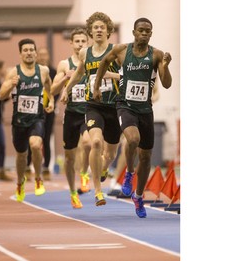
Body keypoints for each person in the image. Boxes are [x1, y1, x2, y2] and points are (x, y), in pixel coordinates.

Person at [94, 17, 172, 218]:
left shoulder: (156, 55)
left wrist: (166, 65)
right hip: (125, 106)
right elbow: (103, 62)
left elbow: (166, 83)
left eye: (148, 31)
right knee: (133, 139)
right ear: (134, 32)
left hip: (145, 109)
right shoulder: (121, 51)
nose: (144, 34)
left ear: (151, 34)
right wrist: (96, 88)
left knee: (145, 157)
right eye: (141, 30)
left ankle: (138, 196)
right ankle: (129, 173)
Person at [60, 12, 121, 206]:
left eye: (102, 27)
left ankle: (104, 168)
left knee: (110, 153)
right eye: (95, 27)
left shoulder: (116, 51)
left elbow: (125, 76)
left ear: (108, 31)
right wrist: (66, 90)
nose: (99, 30)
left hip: (113, 106)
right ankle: (97, 190)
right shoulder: (85, 53)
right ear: (91, 31)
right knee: (95, 143)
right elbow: (79, 74)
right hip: (93, 106)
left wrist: (108, 74)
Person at [0, 38, 55, 202]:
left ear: (36, 53)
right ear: (20, 54)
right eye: (25, 50)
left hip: (37, 118)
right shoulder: (13, 72)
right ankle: (20, 181)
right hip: (19, 121)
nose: (29, 53)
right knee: (21, 155)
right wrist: (10, 84)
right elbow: (1, 95)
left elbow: (48, 86)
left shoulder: (43, 70)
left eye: (31, 50)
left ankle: (38, 178)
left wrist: (50, 100)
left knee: (36, 145)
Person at [51, 27, 91, 209]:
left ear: (87, 42)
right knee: (69, 158)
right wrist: (64, 80)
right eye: (77, 41)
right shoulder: (64, 64)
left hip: (88, 112)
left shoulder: (92, 62)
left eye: (83, 41)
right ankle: (73, 193)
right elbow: (52, 90)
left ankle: (84, 174)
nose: (80, 44)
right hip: (72, 114)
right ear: (71, 43)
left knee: (88, 143)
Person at [25, 47, 58, 181]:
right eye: (41, 54)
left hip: (49, 110)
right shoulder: (33, 71)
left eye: (46, 54)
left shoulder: (54, 71)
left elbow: (56, 89)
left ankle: (46, 168)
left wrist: (51, 101)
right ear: (37, 56)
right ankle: (27, 166)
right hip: (33, 109)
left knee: (46, 137)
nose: (43, 57)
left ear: (48, 56)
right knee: (31, 138)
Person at [0, 60, 12, 181]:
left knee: (3, 145)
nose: (5, 71)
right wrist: (1, 96)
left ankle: (1, 171)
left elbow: (1, 99)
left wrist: (6, 96)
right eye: (4, 68)